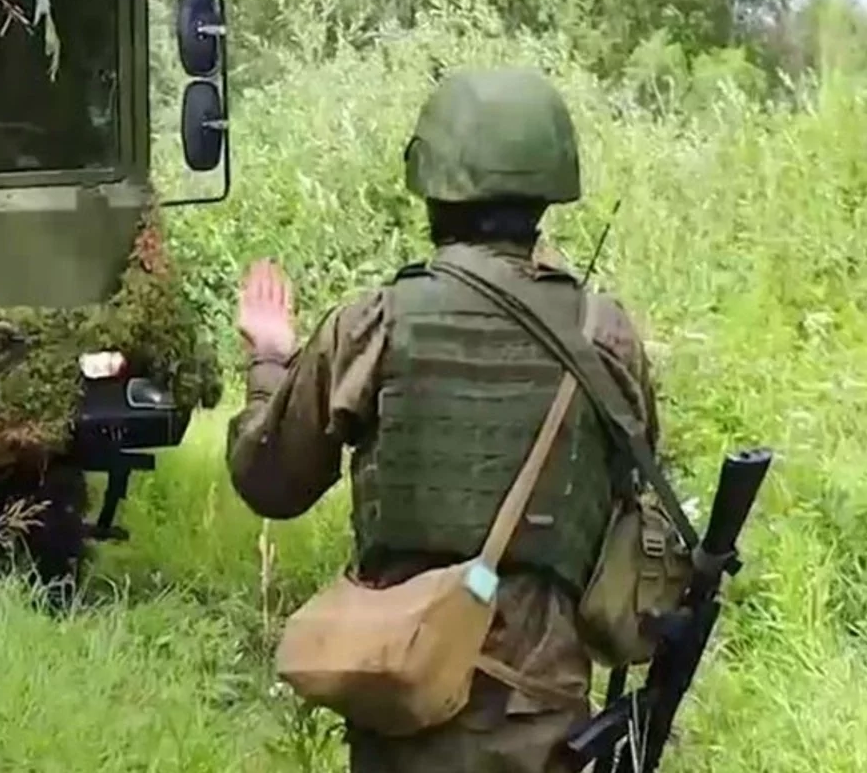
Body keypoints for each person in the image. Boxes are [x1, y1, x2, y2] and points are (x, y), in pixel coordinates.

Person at [226, 65, 663, 772]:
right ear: (548, 192)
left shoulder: (376, 324)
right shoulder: (603, 334)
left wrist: (271, 362)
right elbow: (629, 498)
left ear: (431, 189)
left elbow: (268, 481)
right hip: (543, 718)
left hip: (403, 702)